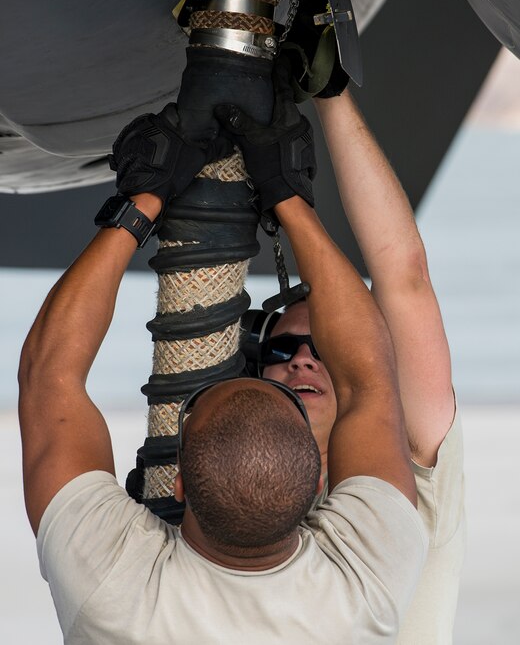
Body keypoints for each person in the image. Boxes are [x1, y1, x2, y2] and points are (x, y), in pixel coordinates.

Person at [18, 70, 427, 644]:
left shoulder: (372, 581)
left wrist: (146, 202)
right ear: (318, 487)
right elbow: (371, 382)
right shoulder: (109, 593)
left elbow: (49, 376)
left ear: (177, 485)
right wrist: (283, 197)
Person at [251, 87, 465, 645]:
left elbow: (405, 277)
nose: (300, 359)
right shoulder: (233, 503)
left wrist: (331, 94)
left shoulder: (410, 478)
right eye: (281, 350)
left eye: (325, 350)